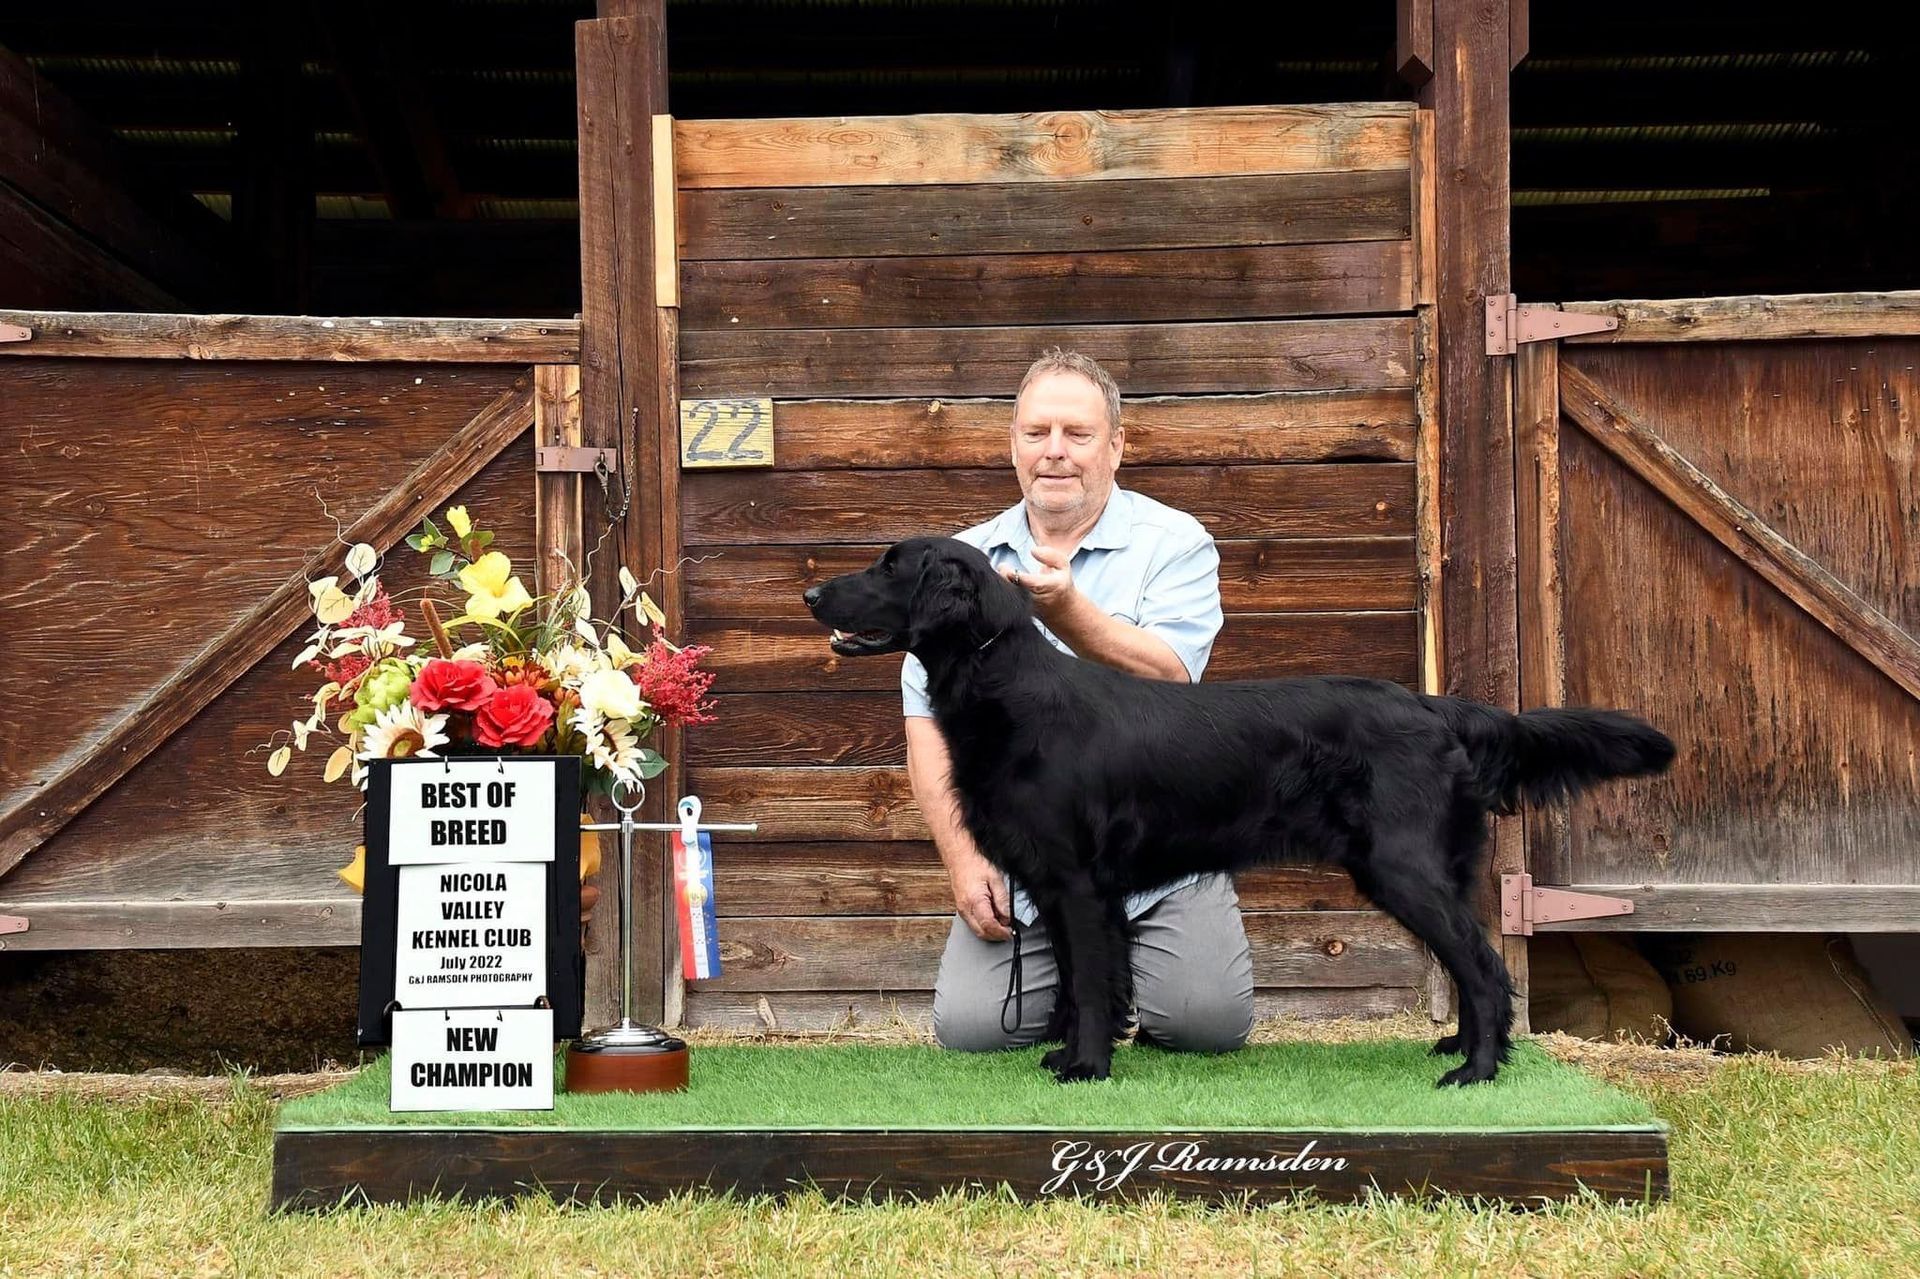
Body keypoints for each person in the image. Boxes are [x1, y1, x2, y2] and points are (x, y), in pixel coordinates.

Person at [902, 348, 1255, 1054]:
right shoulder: (959, 559)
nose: (1054, 453)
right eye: (1036, 434)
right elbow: (926, 725)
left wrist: (1068, 613)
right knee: (971, 1031)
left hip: (1164, 848)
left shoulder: (1176, 543)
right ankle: (1087, 985)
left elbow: (1170, 676)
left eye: (1077, 433)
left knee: (1204, 1021)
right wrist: (964, 860)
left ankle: (1120, 984)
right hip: (1035, 864)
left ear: (1117, 446)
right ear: (1013, 445)